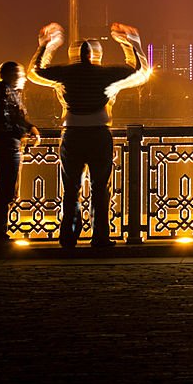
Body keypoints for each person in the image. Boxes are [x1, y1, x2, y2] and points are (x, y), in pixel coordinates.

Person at [28, 22, 150, 248]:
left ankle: (69, 236)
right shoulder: (105, 75)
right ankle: (100, 236)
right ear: (98, 55)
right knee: (100, 188)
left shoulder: (65, 74)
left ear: (73, 55)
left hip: (72, 134)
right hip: (99, 134)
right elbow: (139, 71)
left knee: (71, 188)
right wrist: (131, 43)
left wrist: (46, 46)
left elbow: (34, 73)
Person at [0, 61, 40, 248]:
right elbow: (2, 119)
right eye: (21, 74)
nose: (24, 78)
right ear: (11, 75)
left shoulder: (7, 92)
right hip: (7, 146)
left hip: (8, 145)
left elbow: (14, 117)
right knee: (6, 191)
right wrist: (22, 131)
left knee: (7, 191)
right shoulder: (2, 91)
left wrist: (29, 127)